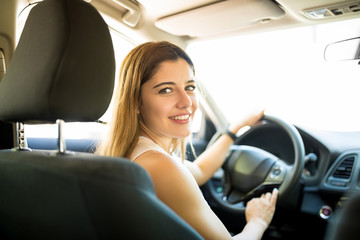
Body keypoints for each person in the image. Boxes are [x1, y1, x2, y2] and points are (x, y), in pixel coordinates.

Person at [96, 41, 278, 240]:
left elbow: (198, 171)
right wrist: (257, 221)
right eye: (166, 90)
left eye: (189, 87)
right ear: (136, 101)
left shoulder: (138, 151)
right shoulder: (158, 164)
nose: (186, 102)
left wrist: (234, 130)